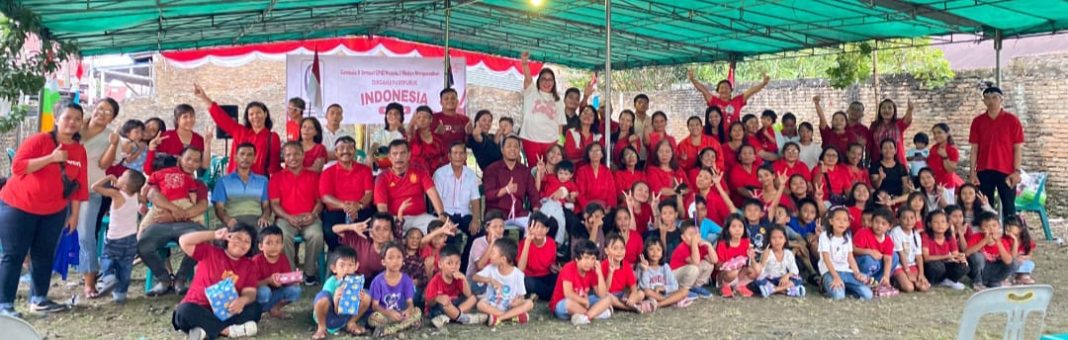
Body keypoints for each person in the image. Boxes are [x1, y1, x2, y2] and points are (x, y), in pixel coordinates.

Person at [0, 103, 89, 316]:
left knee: (44, 254)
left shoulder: (79, 150)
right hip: (19, 206)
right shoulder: (40, 140)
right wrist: (51, 158)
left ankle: (39, 299)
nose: (72, 122)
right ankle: (5, 305)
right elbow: (18, 167)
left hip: (54, 211)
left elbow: (80, 186)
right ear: (57, 119)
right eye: (68, 117)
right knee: (14, 255)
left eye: (77, 119)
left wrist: (74, 215)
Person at [140, 147, 210, 297]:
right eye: (188, 159)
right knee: (143, 244)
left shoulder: (198, 184)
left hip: (188, 224)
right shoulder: (163, 176)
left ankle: (181, 279)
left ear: (199, 164)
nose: (191, 163)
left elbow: (202, 206)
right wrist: (174, 209)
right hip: (160, 222)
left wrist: (175, 216)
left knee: (202, 243)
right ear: (180, 159)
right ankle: (164, 279)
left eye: (196, 160)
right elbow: (152, 194)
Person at [171, 225, 261, 340]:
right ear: (227, 238)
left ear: (251, 246)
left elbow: (250, 293)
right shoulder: (210, 251)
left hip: (226, 311)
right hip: (198, 307)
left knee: (255, 308)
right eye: (237, 238)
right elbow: (183, 241)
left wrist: (242, 300)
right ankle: (228, 331)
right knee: (183, 312)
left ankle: (204, 329)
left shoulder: (250, 266)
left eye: (247, 241)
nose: (241, 243)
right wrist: (214, 234)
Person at [75, 97, 120, 300]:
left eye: (108, 112)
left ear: (112, 118)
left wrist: (113, 145)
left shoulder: (110, 137)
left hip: (92, 190)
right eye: (100, 108)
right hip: (63, 189)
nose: (102, 113)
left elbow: (103, 164)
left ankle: (89, 283)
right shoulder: (75, 127)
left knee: (86, 235)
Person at [269, 142, 325, 285]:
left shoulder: (313, 176)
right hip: (285, 218)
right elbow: (274, 204)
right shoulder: (276, 177)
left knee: (316, 235)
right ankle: (291, 274)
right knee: (283, 236)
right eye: (288, 155)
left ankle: (309, 273)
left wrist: (313, 214)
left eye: (296, 154)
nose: (292, 157)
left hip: (309, 217)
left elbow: (320, 201)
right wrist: (289, 217)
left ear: (303, 155)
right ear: (283, 158)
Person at [196, 84, 282, 176]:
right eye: (251, 114)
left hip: (258, 184)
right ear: (247, 117)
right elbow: (221, 117)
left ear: (265, 114)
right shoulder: (239, 131)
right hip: (234, 182)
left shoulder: (272, 137)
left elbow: (274, 166)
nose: (255, 116)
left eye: (258, 113)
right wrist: (204, 98)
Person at [90, 170, 146, 303]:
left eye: (121, 177)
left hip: (115, 239)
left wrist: (108, 177)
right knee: (125, 266)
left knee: (106, 258)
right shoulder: (136, 196)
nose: (118, 177)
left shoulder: (116, 194)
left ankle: (109, 278)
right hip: (131, 239)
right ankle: (120, 295)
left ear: (124, 187)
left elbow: (94, 187)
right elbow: (145, 199)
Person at [373, 140, 447, 234]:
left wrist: (441, 214)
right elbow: (382, 207)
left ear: (409, 155)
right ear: (389, 157)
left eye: (402, 153)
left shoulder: (419, 170)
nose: (398, 157)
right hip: (394, 218)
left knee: (439, 229)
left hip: (420, 218)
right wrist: (389, 225)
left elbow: (432, 193)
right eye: (395, 154)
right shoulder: (382, 177)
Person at [319, 136, 375, 249]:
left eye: (350, 148)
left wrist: (358, 205)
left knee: (371, 230)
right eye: (341, 148)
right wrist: (345, 206)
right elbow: (325, 197)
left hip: (361, 210)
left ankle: (364, 259)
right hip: (336, 212)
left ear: (354, 151)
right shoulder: (327, 172)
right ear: (336, 152)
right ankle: (338, 258)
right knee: (329, 232)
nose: (346, 151)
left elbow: (369, 193)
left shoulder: (365, 170)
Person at [433, 141, 483, 264]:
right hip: (445, 214)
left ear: (466, 156)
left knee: (479, 233)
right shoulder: (440, 174)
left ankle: (464, 264)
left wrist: (476, 219)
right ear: (449, 156)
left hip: (464, 214)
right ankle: (446, 265)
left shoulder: (470, 174)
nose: (458, 156)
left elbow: (475, 199)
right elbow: (436, 199)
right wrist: (445, 220)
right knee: (446, 236)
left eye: (462, 153)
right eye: (455, 153)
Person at [312, 246, 371, 339]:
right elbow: (333, 308)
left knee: (366, 296)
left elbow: (354, 303)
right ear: (334, 268)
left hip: (346, 314)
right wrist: (336, 299)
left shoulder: (355, 281)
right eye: (342, 265)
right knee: (322, 297)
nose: (346, 269)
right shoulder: (331, 282)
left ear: (356, 266)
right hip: (329, 316)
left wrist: (360, 298)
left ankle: (351, 323)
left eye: (350, 265)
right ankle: (321, 327)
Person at [473, 238, 535, 326]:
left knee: (529, 303)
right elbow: (475, 277)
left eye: (493, 253)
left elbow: (522, 296)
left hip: (510, 307)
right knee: (480, 304)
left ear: (503, 259)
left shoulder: (518, 274)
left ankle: (499, 318)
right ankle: (512, 317)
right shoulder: (491, 268)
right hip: (493, 305)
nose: (490, 255)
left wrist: (518, 302)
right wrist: (490, 280)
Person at [517, 51, 566, 162]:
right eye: (544, 79)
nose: (547, 82)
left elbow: (560, 125)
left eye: (550, 80)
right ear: (539, 81)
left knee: (549, 169)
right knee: (534, 169)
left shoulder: (557, 100)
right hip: (531, 139)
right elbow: (528, 78)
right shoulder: (532, 92)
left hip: (551, 141)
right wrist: (525, 64)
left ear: (554, 82)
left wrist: (560, 143)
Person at [550, 240, 613, 325]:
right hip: (563, 305)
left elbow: (601, 294)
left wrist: (600, 273)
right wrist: (584, 301)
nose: (589, 262)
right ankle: (596, 314)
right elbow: (568, 293)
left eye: (593, 259)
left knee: (609, 299)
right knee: (568, 303)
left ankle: (586, 317)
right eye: (586, 258)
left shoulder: (592, 270)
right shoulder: (568, 267)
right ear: (577, 258)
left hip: (582, 303)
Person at [484, 136, 540, 230]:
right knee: (495, 230)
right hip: (497, 213)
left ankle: (525, 244)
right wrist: (506, 190)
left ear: (519, 150)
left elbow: (532, 192)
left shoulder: (524, 171)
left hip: (518, 212)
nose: (512, 149)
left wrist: (536, 209)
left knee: (536, 226)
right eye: (509, 146)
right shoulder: (492, 169)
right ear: (502, 150)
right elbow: (488, 195)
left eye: (516, 146)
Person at [211, 143, 271, 230]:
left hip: (256, 219)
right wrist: (227, 220)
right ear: (235, 158)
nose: (245, 157)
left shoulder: (263, 180)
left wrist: (265, 217)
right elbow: (219, 207)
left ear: (254, 159)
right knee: (222, 238)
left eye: (249, 155)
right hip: (233, 219)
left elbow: (266, 206)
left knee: (266, 236)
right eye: (242, 154)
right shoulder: (223, 181)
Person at [368, 242, 421, 337]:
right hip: (384, 315)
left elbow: (410, 302)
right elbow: (374, 306)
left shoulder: (406, 279)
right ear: (383, 262)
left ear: (403, 260)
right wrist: (387, 313)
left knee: (417, 311)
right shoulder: (378, 281)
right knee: (373, 318)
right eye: (391, 258)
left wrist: (408, 310)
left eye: (398, 257)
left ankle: (389, 330)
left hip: (400, 314)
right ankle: (407, 324)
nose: (395, 261)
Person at [820, 207, 873, 301]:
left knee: (868, 294)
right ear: (831, 221)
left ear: (848, 223)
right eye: (838, 219)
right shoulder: (825, 236)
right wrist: (836, 277)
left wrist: (857, 273)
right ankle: (825, 285)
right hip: (830, 272)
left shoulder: (847, 238)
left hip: (846, 271)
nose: (841, 222)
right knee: (839, 296)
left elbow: (850, 258)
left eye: (845, 220)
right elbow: (826, 259)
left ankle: (846, 286)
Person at [426, 246, 485, 329]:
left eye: (457, 263)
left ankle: (451, 317)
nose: (453, 267)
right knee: (445, 304)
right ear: (440, 264)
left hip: (456, 306)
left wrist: (464, 279)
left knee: (473, 298)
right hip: (440, 309)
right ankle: (465, 318)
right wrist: (437, 298)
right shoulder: (435, 280)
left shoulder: (458, 278)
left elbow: (468, 295)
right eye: (449, 263)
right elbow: (429, 302)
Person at [688, 69, 770, 126]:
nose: (724, 90)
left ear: (731, 90)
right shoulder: (713, 101)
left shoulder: (737, 101)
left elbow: (751, 91)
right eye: (722, 88)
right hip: (718, 136)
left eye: (727, 88)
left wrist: (763, 84)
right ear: (718, 91)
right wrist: (692, 79)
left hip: (734, 136)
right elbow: (703, 90)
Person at [145, 103, 209, 175]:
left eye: (192, 116)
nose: (189, 120)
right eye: (185, 117)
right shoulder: (165, 137)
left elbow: (204, 166)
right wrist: (151, 149)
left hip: (188, 180)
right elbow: (149, 170)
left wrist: (207, 144)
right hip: (164, 180)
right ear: (177, 120)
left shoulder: (199, 139)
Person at [253, 226, 302, 318]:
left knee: (296, 290)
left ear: (282, 245)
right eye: (269, 243)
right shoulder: (256, 261)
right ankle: (259, 311)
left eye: (277, 242)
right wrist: (268, 281)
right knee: (264, 291)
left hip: (276, 294)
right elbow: (250, 284)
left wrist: (294, 279)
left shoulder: (283, 259)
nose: (274, 246)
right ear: (260, 246)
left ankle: (275, 308)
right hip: (261, 294)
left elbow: (286, 281)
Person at [637, 237, 694, 310]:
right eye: (651, 249)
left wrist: (663, 288)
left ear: (662, 253)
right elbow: (643, 287)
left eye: (658, 249)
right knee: (646, 291)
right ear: (646, 252)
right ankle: (669, 301)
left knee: (685, 291)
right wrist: (645, 270)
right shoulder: (641, 266)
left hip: (665, 294)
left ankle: (659, 304)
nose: (655, 252)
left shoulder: (665, 267)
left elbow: (674, 285)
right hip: (651, 295)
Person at [334, 213, 395, 279]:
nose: (381, 232)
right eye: (377, 229)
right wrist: (352, 227)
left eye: (385, 229)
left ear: (391, 234)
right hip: (353, 283)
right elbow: (335, 229)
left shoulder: (395, 252)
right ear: (370, 233)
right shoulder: (361, 242)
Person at [964, 211, 1016, 290]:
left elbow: (1008, 261)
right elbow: (967, 253)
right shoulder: (976, 237)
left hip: (993, 269)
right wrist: (984, 241)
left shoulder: (1003, 241)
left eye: (994, 225)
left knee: (1014, 263)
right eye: (987, 226)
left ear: (999, 226)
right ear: (981, 228)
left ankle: (994, 282)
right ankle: (977, 282)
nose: (991, 229)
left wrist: (998, 242)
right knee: (977, 256)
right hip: (980, 269)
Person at [853, 208, 899, 295]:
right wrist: (869, 251)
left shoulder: (888, 240)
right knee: (868, 259)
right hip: (862, 267)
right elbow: (853, 250)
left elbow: (888, 259)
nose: (879, 226)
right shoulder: (863, 232)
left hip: (876, 269)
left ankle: (879, 283)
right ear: (872, 222)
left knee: (895, 256)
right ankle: (863, 282)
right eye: (876, 222)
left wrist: (886, 276)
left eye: (883, 224)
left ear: (889, 226)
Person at [921, 210, 968, 290]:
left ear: (947, 225)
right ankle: (935, 281)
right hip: (931, 265)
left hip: (946, 262)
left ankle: (949, 280)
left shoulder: (949, 237)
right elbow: (926, 258)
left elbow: (955, 254)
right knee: (937, 267)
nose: (940, 225)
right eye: (936, 222)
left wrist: (960, 258)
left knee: (963, 265)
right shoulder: (926, 236)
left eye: (943, 222)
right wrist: (946, 256)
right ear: (929, 224)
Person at [601, 234, 647, 313]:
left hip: (622, 296)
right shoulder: (603, 265)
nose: (619, 251)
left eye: (622, 248)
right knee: (608, 297)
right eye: (615, 248)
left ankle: (627, 304)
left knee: (641, 293)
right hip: (609, 295)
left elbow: (633, 288)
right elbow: (605, 290)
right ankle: (629, 308)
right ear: (606, 250)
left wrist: (632, 298)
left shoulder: (626, 265)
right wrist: (610, 272)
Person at [754, 226, 806, 297]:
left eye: (780, 238)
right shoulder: (767, 252)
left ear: (785, 240)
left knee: (798, 278)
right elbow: (760, 272)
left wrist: (787, 276)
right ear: (769, 240)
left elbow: (794, 269)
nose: (777, 241)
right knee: (757, 280)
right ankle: (787, 291)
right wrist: (764, 258)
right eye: (773, 238)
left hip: (783, 280)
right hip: (769, 279)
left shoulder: (788, 253)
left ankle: (774, 290)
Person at [670, 221, 717, 298]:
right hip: (675, 277)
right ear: (683, 238)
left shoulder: (700, 245)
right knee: (694, 268)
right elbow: (695, 262)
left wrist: (709, 245)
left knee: (709, 264)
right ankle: (683, 290)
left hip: (689, 274)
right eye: (691, 234)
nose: (694, 237)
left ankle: (695, 287)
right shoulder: (682, 247)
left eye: (696, 234)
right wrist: (694, 243)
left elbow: (714, 260)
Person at [517, 214, 558, 301]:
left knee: (561, 277)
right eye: (536, 227)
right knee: (525, 282)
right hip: (530, 277)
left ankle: (543, 294)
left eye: (543, 227)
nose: (539, 230)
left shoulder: (551, 243)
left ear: (547, 229)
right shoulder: (523, 243)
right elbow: (520, 269)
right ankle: (553, 294)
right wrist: (528, 241)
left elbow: (551, 264)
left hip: (546, 275)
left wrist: (555, 268)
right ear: (529, 228)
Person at [889, 209, 929, 293]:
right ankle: (895, 280)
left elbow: (918, 256)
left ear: (916, 219)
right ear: (898, 219)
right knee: (909, 288)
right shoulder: (896, 232)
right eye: (905, 218)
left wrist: (921, 273)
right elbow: (901, 254)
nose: (909, 221)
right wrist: (907, 272)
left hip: (912, 265)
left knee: (923, 287)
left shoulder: (916, 234)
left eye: (911, 218)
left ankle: (909, 280)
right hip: (899, 265)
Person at [716, 215, 756, 298]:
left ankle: (740, 286)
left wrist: (751, 257)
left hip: (739, 275)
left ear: (744, 228)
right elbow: (717, 265)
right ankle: (724, 287)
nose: (737, 229)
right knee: (733, 272)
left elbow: (748, 264)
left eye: (740, 226)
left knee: (755, 270)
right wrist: (729, 265)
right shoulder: (722, 244)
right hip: (726, 276)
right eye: (733, 227)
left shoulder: (746, 242)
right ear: (727, 229)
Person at [868, 99, 914, 165]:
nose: (886, 110)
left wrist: (910, 109)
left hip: (898, 162)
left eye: (889, 108)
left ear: (894, 111)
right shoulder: (874, 125)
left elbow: (907, 120)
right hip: (878, 161)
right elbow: (870, 144)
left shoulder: (898, 124)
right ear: (880, 111)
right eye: (883, 108)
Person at [576, 143, 617, 211]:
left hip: (604, 208)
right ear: (588, 155)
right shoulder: (582, 171)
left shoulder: (607, 171)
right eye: (591, 151)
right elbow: (580, 193)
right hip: (587, 207)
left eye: (598, 150)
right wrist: (588, 208)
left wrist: (609, 208)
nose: (595, 153)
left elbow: (612, 193)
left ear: (602, 154)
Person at [408, 105, 448, 172]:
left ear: (431, 119)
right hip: (415, 176)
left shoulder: (438, 139)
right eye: (418, 117)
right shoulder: (411, 137)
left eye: (425, 117)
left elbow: (445, 158)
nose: (422, 119)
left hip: (436, 176)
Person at [369, 102, 407, 170]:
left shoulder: (404, 133)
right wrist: (370, 155)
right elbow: (374, 146)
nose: (393, 116)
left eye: (396, 113)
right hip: (381, 169)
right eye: (390, 113)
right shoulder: (380, 133)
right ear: (386, 116)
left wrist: (400, 128)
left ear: (401, 116)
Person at [927, 124, 963, 191]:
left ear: (947, 133)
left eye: (939, 132)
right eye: (934, 133)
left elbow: (950, 170)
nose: (936, 135)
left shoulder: (952, 149)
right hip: (932, 185)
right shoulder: (933, 148)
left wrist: (944, 157)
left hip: (946, 185)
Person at [1004, 218, 1036, 285]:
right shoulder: (1005, 240)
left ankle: (1022, 276)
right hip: (1009, 263)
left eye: (1011, 225)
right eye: (1006, 225)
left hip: (1021, 262)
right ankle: (1006, 277)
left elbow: (1029, 255)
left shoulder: (1026, 241)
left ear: (1020, 229)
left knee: (1030, 263)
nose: (1007, 228)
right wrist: (1015, 240)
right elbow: (1011, 256)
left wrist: (1023, 257)